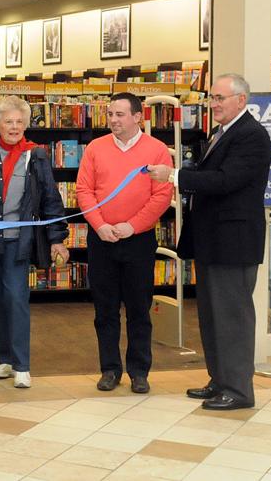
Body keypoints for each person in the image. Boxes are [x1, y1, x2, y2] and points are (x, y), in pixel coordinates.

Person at [147, 73, 271, 411]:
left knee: (232, 318)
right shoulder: (222, 132)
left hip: (233, 243)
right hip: (213, 242)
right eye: (211, 98)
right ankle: (220, 380)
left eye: (219, 98)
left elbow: (225, 181)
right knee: (212, 317)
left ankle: (239, 390)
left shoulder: (251, 136)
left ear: (241, 100)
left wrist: (175, 176)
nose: (213, 104)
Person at [77, 92, 173, 394]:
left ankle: (139, 371)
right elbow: (84, 190)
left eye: (119, 114)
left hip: (139, 240)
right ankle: (109, 369)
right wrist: (100, 225)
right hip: (102, 239)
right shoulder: (95, 148)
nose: (113, 120)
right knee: (104, 311)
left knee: (139, 309)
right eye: (110, 114)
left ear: (137, 117)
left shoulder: (157, 150)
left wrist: (132, 226)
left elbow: (162, 196)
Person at [0, 96, 68, 390]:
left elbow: (51, 199)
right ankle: (4, 359)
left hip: (19, 243)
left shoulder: (36, 156)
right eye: (8, 122)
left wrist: (57, 238)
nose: (14, 127)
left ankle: (21, 365)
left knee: (16, 299)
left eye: (19, 122)